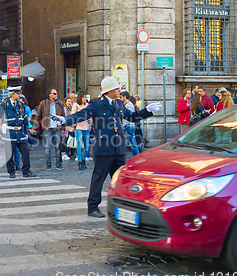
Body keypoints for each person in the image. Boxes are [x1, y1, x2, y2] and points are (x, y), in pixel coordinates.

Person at [52, 77, 160, 218]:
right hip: (103, 148)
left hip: (118, 148)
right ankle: (93, 207)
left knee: (121, 180)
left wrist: (147, 111)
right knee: (99, 178)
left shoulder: (119, 104)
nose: (119, 90)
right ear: (109, 91)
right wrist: (66, 119)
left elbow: (132, 117)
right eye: (116, 88)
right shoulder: (97, 104)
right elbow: (82, 115)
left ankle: (121, 206)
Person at [0, 87, 36, 178]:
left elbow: (24, 121)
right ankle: (11, 172)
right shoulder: (4, 106)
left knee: (26, 152)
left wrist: (26, 134)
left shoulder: (21, 106)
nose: (19, 95)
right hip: (9, 133)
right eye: (17, 93)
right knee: (9, 154)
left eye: (19, 93)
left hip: (20, 133)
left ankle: (26, 171)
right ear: (12, 94)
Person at [35, 88, 66, 171]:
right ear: (49, 95)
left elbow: (63, 117)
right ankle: (48, 165)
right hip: (47, 128)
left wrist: (63, 128)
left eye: (56, 93)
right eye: (54, 93)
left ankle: (59, 165)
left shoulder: (60, 104)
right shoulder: (43, 103)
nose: (56, 95)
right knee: (47, 148)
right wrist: (35, 127)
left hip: (57, 128)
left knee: (57, 147)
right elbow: (38, 116)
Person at [13, 95, 34, 168]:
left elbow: (29, 117)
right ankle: (15, 166)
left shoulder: (26, 108)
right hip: (15, 130)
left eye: (22, 101)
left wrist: (25, 123)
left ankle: (24, 168)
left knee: (24, 148)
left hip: (24, 127)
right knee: (14, 149)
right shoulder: (14, 107)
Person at [72, 92, 90, 170]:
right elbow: (73, 115)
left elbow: (90, 116)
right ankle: (79, 162)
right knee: (79, 145)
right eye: (83, 97)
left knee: (87, 146)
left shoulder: (87, 105)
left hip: (86, 127)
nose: (85, 99)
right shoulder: (76, 105)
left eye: (85, 97)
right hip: (79, 127)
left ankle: (83, 160)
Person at [119, 91, 140, 156]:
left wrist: (121, 125)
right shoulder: (126, 104)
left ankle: (136, 157)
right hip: (127, 126)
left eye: (121, 97)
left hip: (129, 127)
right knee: (131, 143)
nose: (120, 99)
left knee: (132, 144)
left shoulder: (129, 105)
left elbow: (128, 118)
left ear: (124, 97)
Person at [62, 96, 76, 161]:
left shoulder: (71, 108)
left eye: (70, 101)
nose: (70, 102)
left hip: (70, 126)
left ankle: (70, 153)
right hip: (66, 127)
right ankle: (64, 153)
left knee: (70, 139)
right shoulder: (64, 109)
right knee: (65, 139)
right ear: (65, 102)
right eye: (68, 101)